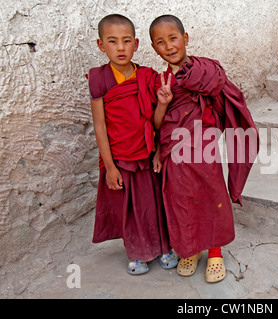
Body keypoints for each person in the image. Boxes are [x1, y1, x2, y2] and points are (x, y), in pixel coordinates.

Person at [150, 15, 259, 283]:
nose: (169, 46)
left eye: (173, 38)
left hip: (204, 146)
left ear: (185, 39)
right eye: (160, 42)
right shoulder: (160, 79)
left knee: (211, 197)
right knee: (181, 201)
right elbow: (156, 122)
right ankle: (190, 250)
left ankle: (215, 252)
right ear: (154, 48)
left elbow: (227, 104)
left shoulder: (206, 71)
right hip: (174, 150)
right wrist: (163, 103)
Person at [87, 14, 178, 275]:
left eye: (126, 41)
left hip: (147, 154)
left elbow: (156, 122)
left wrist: (162, 104)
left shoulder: (148, 77)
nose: (120, 47)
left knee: (155, 204)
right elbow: (100, 127)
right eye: (112, 41)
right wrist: (109, 167)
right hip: (121, 158)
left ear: (136, 44)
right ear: (101, 45)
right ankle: (137, 253)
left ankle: (163, 247)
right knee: (130, 209)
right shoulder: (98, 79)